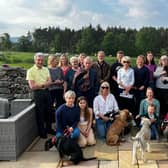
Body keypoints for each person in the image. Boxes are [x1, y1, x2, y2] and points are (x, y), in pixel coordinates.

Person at [26, 52, 55, 138]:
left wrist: (43, 85)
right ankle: (42, 132)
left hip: (47, 92)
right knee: (40, 113)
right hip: (38, 93)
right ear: (35, 60)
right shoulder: (30, 71)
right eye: (38, 60)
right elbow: (32, 86)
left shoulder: (46, 69)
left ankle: (49, 129)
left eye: (42, 60)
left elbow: (50, 82)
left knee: (49, 111)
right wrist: (43, 85)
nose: (40, 61)